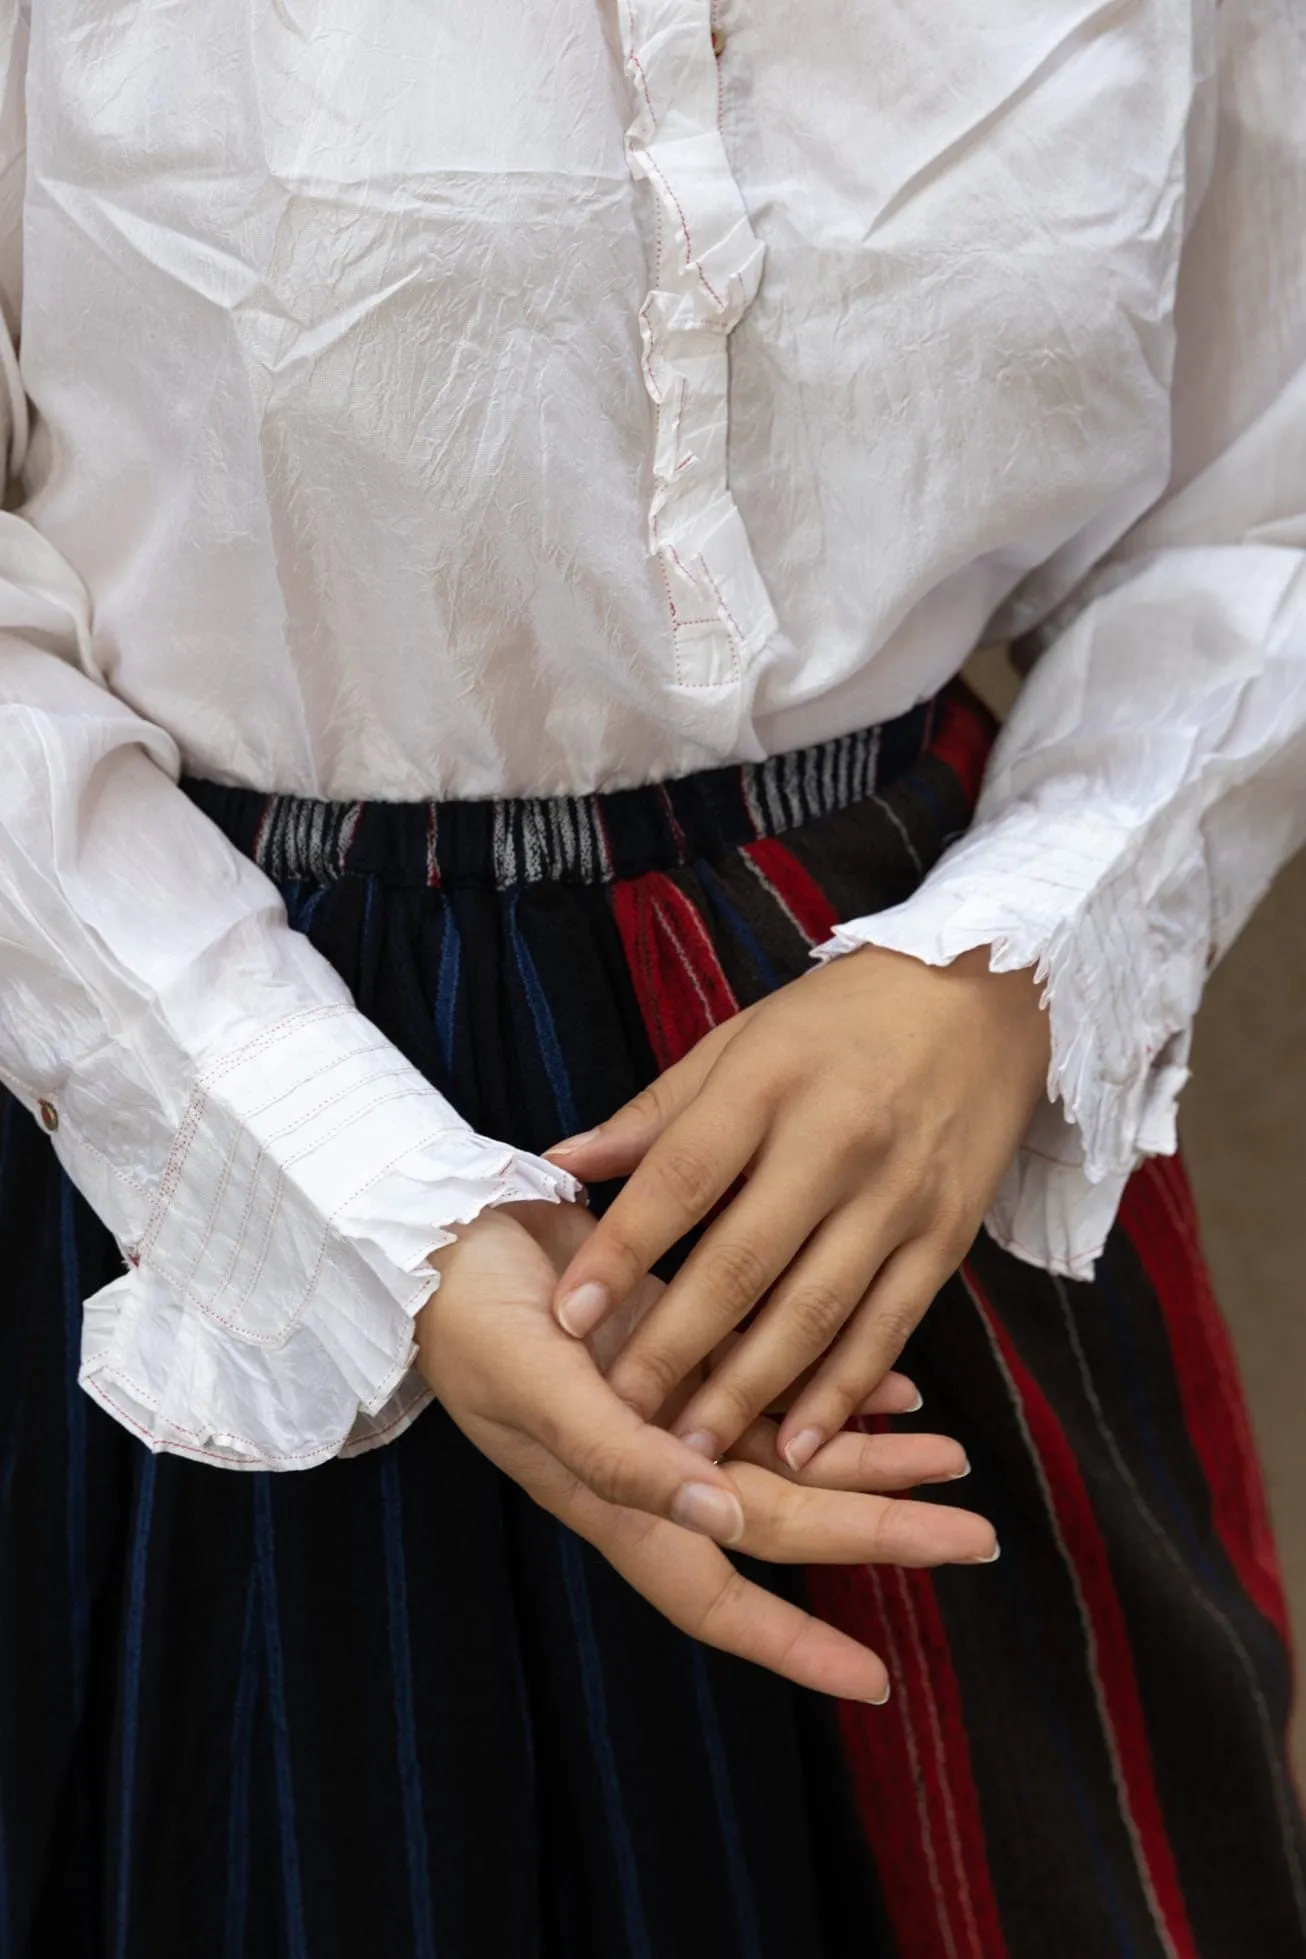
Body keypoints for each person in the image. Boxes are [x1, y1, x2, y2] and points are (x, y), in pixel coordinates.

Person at [1, 0, 1303, 1953]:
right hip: (201, 1106)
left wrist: (1015, 956)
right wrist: (360, 1210)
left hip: (915, 1107)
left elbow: (1257, 489)